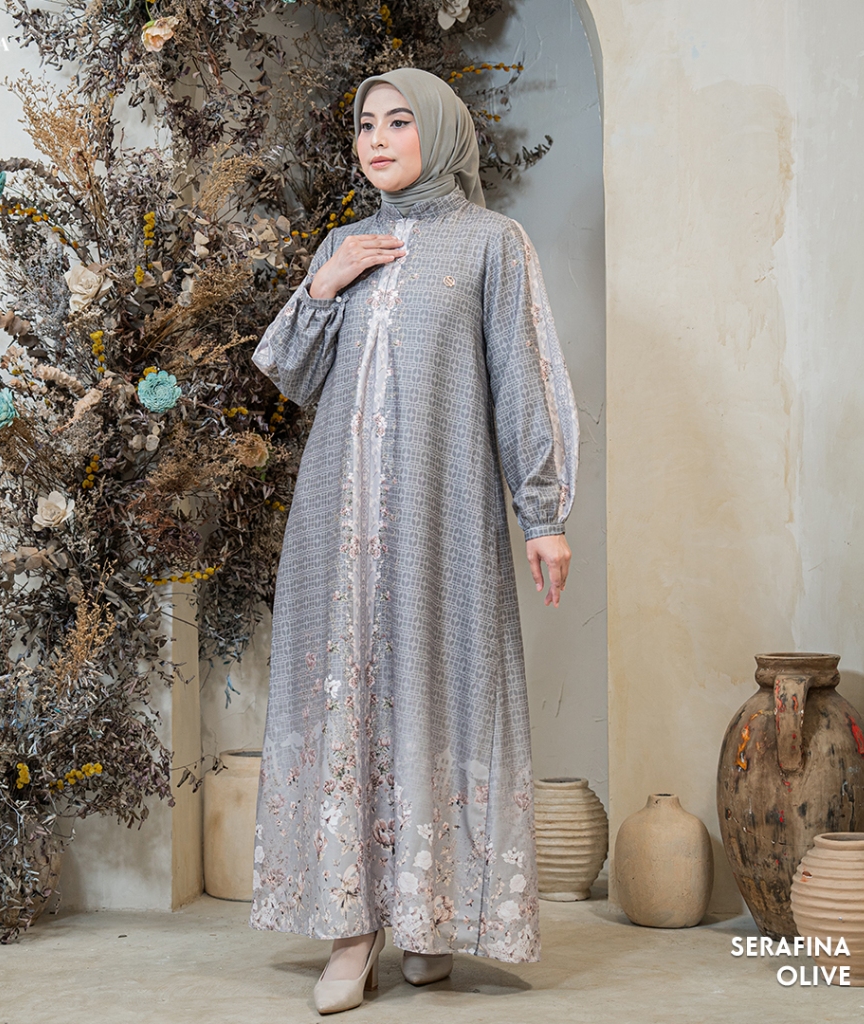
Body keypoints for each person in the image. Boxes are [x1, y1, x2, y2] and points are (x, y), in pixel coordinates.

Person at [248, 66, 579, 1015]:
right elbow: (288, 369)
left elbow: (524, 379)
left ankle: (429, 918)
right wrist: (325, 282)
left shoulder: (492, 244)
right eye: (365, 125)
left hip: (443, 521)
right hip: (337, 527)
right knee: (348, 697)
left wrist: (544, 517)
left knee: (436, 693)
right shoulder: (346, 243)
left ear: (440, 131)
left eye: (399, 122)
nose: (377, 140)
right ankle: (353, 934)